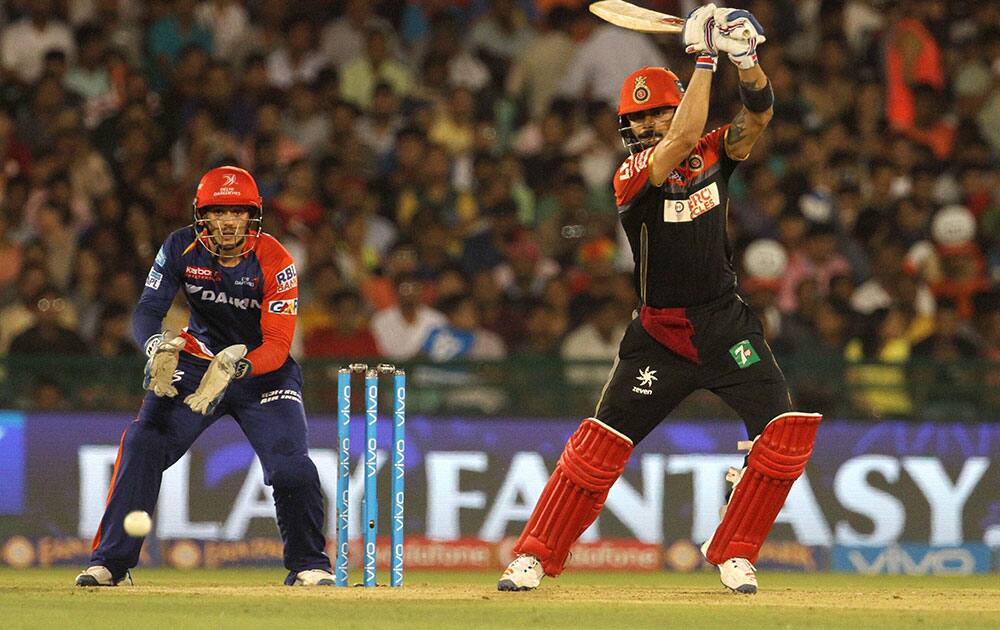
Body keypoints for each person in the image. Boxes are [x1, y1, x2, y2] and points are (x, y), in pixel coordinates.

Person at [498, 6, 822, 595]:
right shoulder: (630, 176)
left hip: (727, 327)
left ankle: (734, 552)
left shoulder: (716, 153)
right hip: (661, 337)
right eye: (637, 121)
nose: (647, 128)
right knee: (597, 450)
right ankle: (533, 557)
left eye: (657, 116)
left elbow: (759, 114)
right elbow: (678, 140)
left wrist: (746, 60)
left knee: (785, 433)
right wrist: (705, 56)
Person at [76, 166, 334, 587]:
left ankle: (308, 564)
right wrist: (156, 346)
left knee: (292, 469)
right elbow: (146, 311)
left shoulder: (276, 259)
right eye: (217, 211)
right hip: (197, 365)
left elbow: (277, 344)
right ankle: (111, 563)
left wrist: (239, 367)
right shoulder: (180, 247)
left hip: (261, 372)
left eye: (238, 211)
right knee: (142, 441)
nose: (228, 221)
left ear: (253, 216)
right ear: (202, 215)